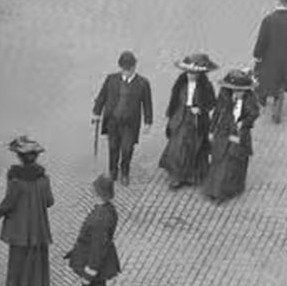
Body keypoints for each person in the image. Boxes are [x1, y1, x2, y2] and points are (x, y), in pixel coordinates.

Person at [0, 135, 55, 286]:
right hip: (37, 224)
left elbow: (10, 201)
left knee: (18, 254)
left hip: (19, 224)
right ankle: (36, 285)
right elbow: (49, 201)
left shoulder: (15, 179)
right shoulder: (43, 179)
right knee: (36, 253)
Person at [65, 175, 121, 286]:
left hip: (94, 264)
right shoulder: (108, 210)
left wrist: (89, 272)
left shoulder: (100, 219)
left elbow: (97, 249)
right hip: (94, 259)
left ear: (98, 193)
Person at [92, 50, 153, 185]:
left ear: (134, 67)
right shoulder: (111, 79)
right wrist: (96, 112)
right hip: (113, 121)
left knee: (127, 149)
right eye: (123, 69)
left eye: (128, 69)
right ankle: (113, 171)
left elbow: (147, 104)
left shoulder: (143, 83)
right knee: (113, 148)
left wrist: (148, 122)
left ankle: (125, 172)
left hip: (130, 124)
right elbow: (102, 96)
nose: (125, 72)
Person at [159, 53, 217, 189]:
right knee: (177, 146)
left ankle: (190, 175)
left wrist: (201, 109)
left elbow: (212, 102)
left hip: (196, 121)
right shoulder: (180, 83)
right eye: (188, 72)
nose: (190, 75)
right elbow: (174, 100)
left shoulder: (206, 86)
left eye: (193, 73)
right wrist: (172, 115)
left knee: (193, 147)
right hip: (180, 117)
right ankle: (177, 175)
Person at [202, 69, 260, 203]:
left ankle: (226, 191)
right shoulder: (224, 97)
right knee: (219, 161)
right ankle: (214, 189)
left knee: (234, 164)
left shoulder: (250, 100)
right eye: (235, 90)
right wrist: (211, 131)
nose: (238, 93)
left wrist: (243, 123)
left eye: (241, 91)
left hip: (239, 135)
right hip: (223, 133)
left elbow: (253, 114)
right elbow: (217, 114)